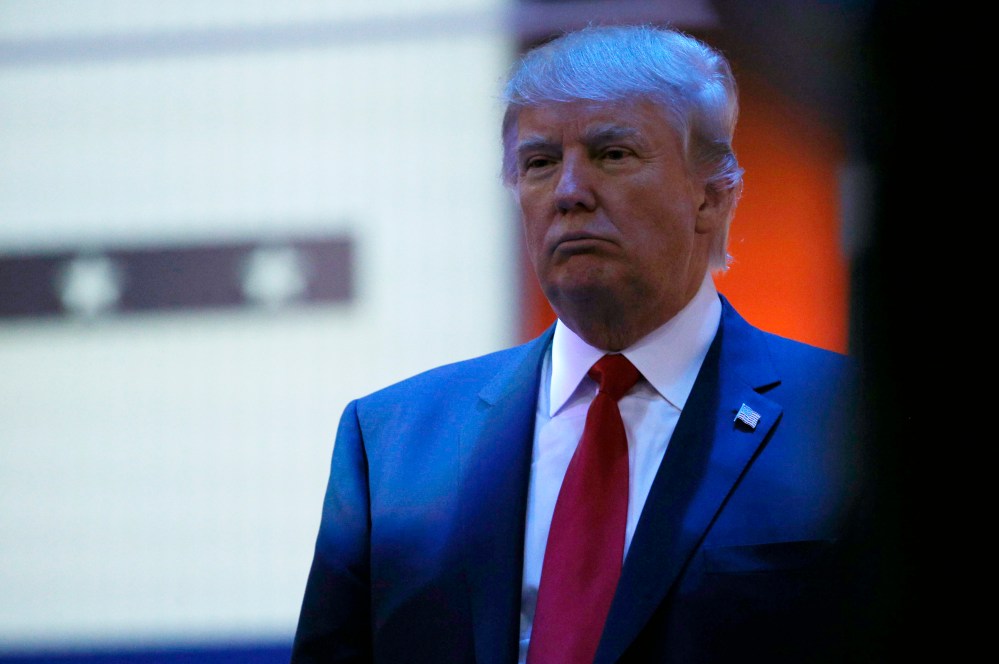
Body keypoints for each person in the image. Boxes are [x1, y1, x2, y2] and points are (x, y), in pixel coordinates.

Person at [291, 23, 875, 664]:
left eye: (613, 154)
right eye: (540, 163)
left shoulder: (852, 421)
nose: (569, 192)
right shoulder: (392, 444)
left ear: (711, 197)